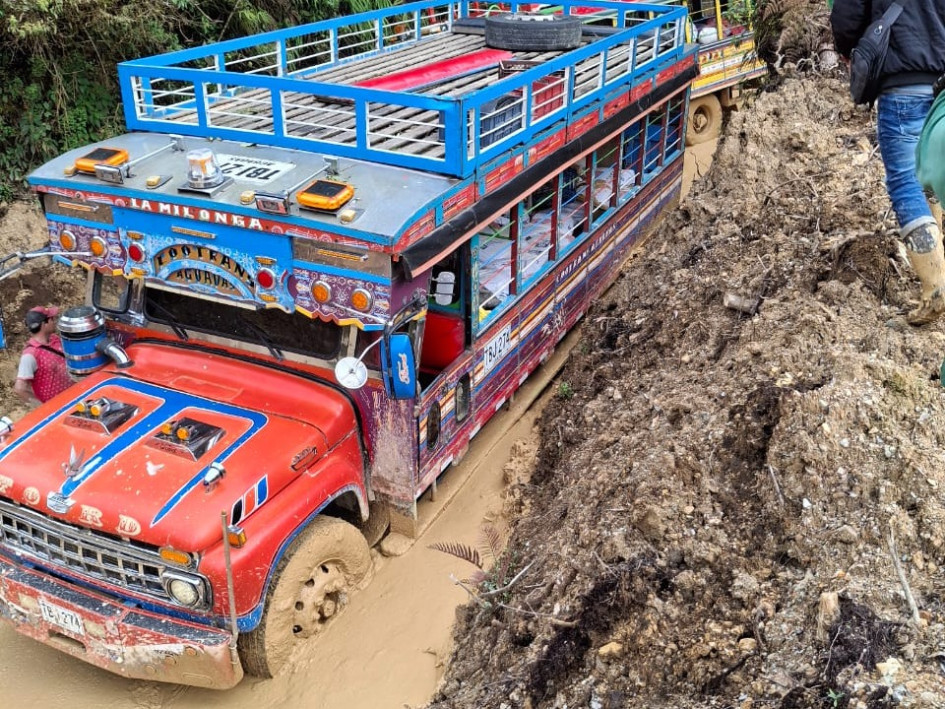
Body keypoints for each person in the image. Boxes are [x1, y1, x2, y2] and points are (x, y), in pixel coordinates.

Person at [831, 1, 945, 325]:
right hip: (943, 83)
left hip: (901, 84)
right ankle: (938, 263)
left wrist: (847, 47)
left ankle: (937, 289)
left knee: (906, 183)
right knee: (932, 172)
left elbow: (847, 16)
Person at [15, 306, 72, 405]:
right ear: (44, 324)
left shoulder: (55, 339)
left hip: (75, 396)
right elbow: (20, 388)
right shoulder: (30, 355)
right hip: (58, 408)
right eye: (51, 319)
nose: (54, 322)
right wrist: (43, 408)